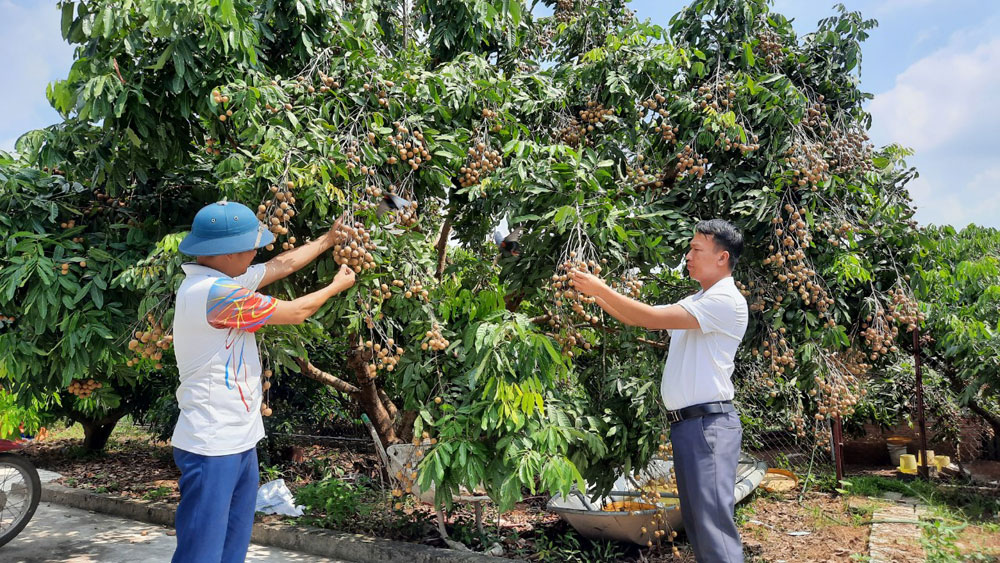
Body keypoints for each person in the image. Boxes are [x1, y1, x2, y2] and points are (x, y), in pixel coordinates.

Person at [171, 200, 356, 563]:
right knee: (202, 551)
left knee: (232, 544)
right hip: (212, 445)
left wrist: (327, 239)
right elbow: (297, 312)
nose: (256, 251)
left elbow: (274, 267)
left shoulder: (220, 281)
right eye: (249, 246)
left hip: (239, 439)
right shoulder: (214, 295)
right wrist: (337, 286)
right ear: (223, 254)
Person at [571, 219, 748, 563]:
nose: (689, 255)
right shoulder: (699, 298)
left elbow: (650, 317)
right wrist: (595, 293)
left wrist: (600, 288)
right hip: (691, 426)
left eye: (697, 249)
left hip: (708, 426)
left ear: (722, 257)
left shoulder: (724, 300)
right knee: (699, 525)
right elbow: (637, 318)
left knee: (712, 527)